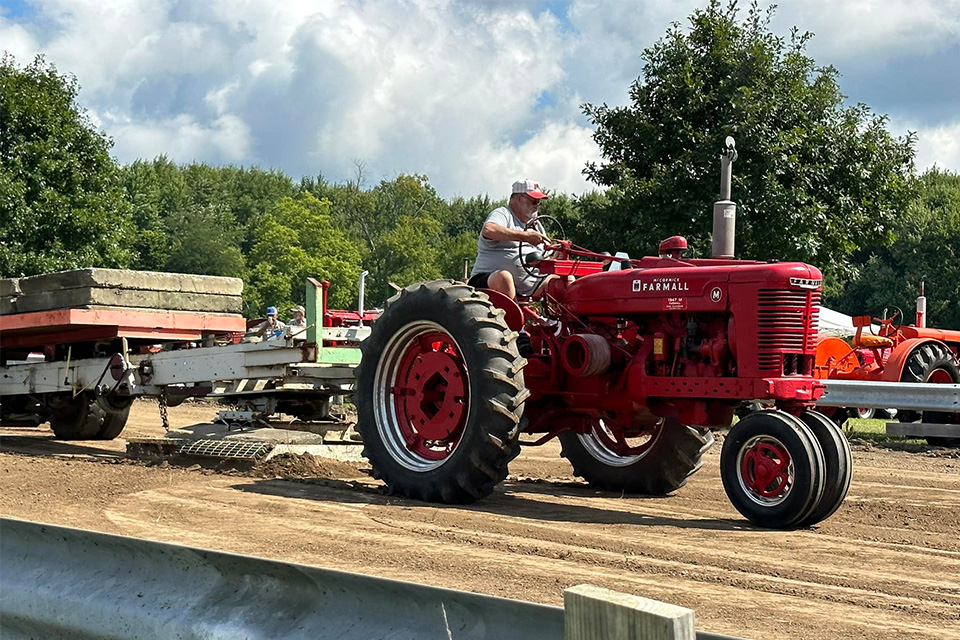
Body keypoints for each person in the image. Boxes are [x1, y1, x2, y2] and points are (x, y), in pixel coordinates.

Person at [468, 179, 551, 299]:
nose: (536, 206)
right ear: (518, 199)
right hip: (487, 282)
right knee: (504, 278)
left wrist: (556, 254)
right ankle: (515, 316)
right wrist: (525, 237)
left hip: (531, 288)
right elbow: (489, 229)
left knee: (564, 282)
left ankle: (564, 318)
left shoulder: (537, 225)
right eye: (534, 201)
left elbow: (545, 256)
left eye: (539, 202)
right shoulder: (503, 214)